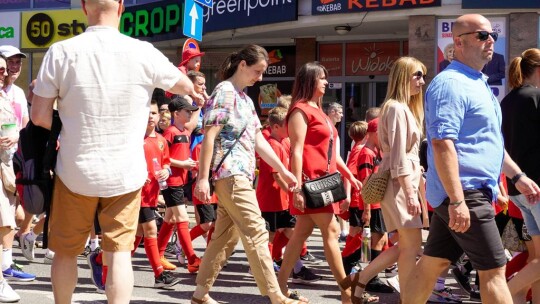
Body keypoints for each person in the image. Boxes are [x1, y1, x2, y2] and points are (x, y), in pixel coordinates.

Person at [30, 0, 198, 301]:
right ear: (121, 7)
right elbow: (185, 85)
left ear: (84, 7)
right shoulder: (143, 52)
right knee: (119, 253)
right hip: (125, 174)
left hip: (74, 171)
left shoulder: (62, 52)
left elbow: (39, 117)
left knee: (66, 253)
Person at [404, 14, 540, 304]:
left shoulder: (479, 83)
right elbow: (442, 144)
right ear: (459, 42)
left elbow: (491, 143)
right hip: (465, 192)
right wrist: (457, 201)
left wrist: (517, 176)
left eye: (491, 35)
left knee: (433, 263)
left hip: (469, 191)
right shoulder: (450, 84)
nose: (490, 40)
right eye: (481, 35)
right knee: (493, 269)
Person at [191, 45, 302, 304]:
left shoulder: (244, 98)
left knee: (223, 239)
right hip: (230, 175)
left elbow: (258, 140)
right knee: (256, 231)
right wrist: (202, 178)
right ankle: (275, 295)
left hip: (238, 175)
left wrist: (283, 169)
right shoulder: (225, 92)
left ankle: (200, 294)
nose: (260, 77)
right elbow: (210, 136)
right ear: (242, 64)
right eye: (257, 71)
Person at [276, 62, 362, 303]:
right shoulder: (300, 110)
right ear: (310, 81)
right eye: (321, 78)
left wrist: (350, 176)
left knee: (299, 235)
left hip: (324, 183)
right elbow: (297, 150)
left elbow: (332, 152)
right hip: (311, 182)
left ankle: (279, 286)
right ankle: (347, 293)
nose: (326, 82)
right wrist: (297, 188)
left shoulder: (320, 111)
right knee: (332, 231)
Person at [501, 48, 540, 303]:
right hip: (535, 186)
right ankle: (505, 291)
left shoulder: (507, 100)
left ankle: (514, 294)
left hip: (519, 188)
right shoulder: (534, 96)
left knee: (537, 258)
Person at [157, 96, 201, 273]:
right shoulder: (171, 132)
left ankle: (159, 254)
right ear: (177, 113)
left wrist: (188, 164)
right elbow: (163, 157)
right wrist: (183, 164)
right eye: (187, 111)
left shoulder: (183, 132)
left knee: (171, 218)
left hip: (179, 181)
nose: (190, 113)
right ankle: (191, 258)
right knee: (182, 218)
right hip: (171, 181)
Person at [0, 53, 20, 303]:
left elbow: (14, 127)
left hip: (4, 167)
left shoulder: (5, 98)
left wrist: (15, 137)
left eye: (4, 70)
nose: (3, 73)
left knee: (7, 221)